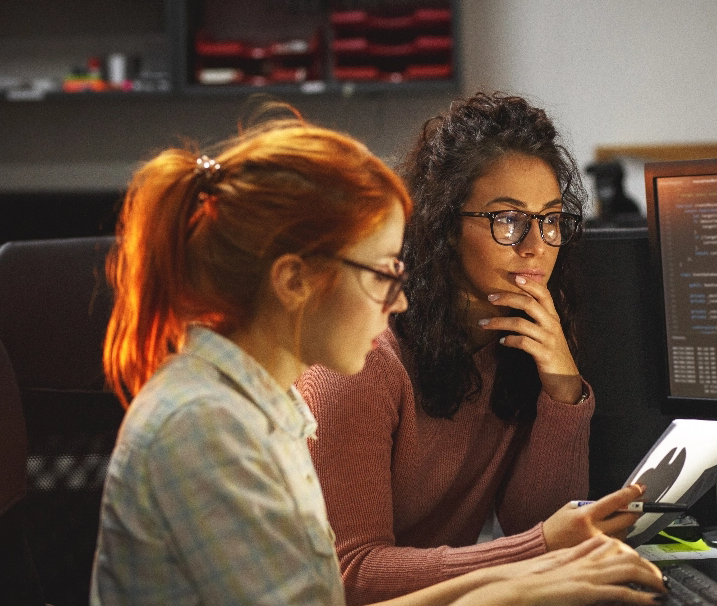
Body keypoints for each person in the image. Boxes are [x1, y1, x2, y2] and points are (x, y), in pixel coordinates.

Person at [90, 103, 664, 605]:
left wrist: (526, 576)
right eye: (381, 273)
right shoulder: (205, 428)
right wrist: (513, 581)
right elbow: (349, 580)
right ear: (294, 281)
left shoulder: (264, 412)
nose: (397, 300)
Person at [298, 92, 639, 604]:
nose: (536, 245)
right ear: (443, 227)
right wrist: (540, 548)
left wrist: (562, 389)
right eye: (507, 220)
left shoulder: (521, 337)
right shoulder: (362, 358)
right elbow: (350, 575)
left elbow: (533, 522)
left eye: (549, 218)